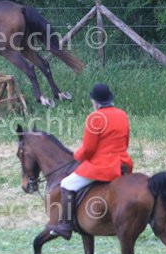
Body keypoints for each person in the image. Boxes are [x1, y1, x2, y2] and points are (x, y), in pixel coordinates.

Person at [50, 83, 134, 240]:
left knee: (67, 184)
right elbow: (126, 142)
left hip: (102, 167)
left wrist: (77, 155)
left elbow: (88, 149)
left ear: (95, 102)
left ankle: (65, 225)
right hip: (122, 164)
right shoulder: (122, 114)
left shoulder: (95, 118)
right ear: (110, 99)